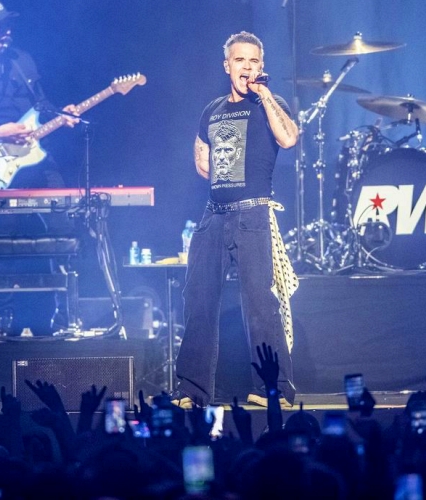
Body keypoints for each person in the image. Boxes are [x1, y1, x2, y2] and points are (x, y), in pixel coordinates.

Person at [175, 31, 300, 408]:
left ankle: (271, 388)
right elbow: (202, 158)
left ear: (261, 66)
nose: (247, 66)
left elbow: (289, 139)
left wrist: (264, 95)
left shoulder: (270, 103)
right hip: (214, 215)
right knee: (198, 299)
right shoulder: (212, 110)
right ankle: (192, 390)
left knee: (260, 304)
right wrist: (211, 161)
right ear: (227, 65)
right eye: (240, 60)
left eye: (253, 61)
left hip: (253, 214)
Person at [0, 1, 79, 335]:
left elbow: (41, 105)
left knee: (63, 227)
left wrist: (60, 114)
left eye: (8, 24)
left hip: (36, 158)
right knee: (4, 235)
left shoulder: (22, 60)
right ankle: (4, 315)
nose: (7, 31)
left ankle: (64, 314)